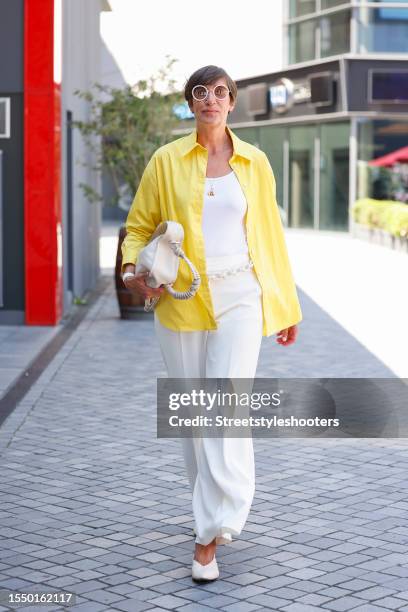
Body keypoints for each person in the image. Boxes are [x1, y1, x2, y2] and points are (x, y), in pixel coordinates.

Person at [121, 65, 302, 582]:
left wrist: (284, 305)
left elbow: (270, 236)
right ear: (190, 103)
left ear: (232, 102)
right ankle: (217, 510)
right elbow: (137, 228)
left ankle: (207, 537)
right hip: (182, 300)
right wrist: (134, 273)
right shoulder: (166, 161)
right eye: (201, 92)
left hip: (242, 296)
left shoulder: (256, 163)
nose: (211, 100)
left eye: (220, 92)